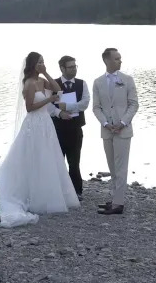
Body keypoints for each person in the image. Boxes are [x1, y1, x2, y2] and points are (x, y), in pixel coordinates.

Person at [0, 52, 80, 227]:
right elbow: (30, 108)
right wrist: (49, 99)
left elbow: (58, 89)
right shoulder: (29, 83)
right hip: (34, 123)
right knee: (35, 155)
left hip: (46, 124)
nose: (42, 64)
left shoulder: (42, 81)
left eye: (44, 62)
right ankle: (32, 195)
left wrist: (46, 73)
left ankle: (50, 192)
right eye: (40, 62)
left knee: (49, 156)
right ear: (33, 64)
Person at [92, 48, 139, 215]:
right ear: (106, 60)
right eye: (117, 58)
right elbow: (96, 107)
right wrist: (105, 123)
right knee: (112, 166)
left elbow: (134, 104)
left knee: (121, 167)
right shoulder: (98, 82)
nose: (120, 61)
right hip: (107, 130)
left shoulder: (127, 80)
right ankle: (114, 198)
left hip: (123, 130)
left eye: (120, 58)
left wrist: (122, 122)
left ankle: (118, 204)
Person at [51, 55, 91, 201]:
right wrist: (60, 112)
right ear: (62, 68)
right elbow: (48, 106)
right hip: (57, 129)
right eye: (71, 67)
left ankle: (76, 191)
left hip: (75, 128)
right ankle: (59, 191)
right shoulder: (53, 84)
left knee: (74, 162)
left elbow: (85, 103)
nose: (74, 69)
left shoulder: (82, 83)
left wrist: (67, 106)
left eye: (75, 66)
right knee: (58, 161)